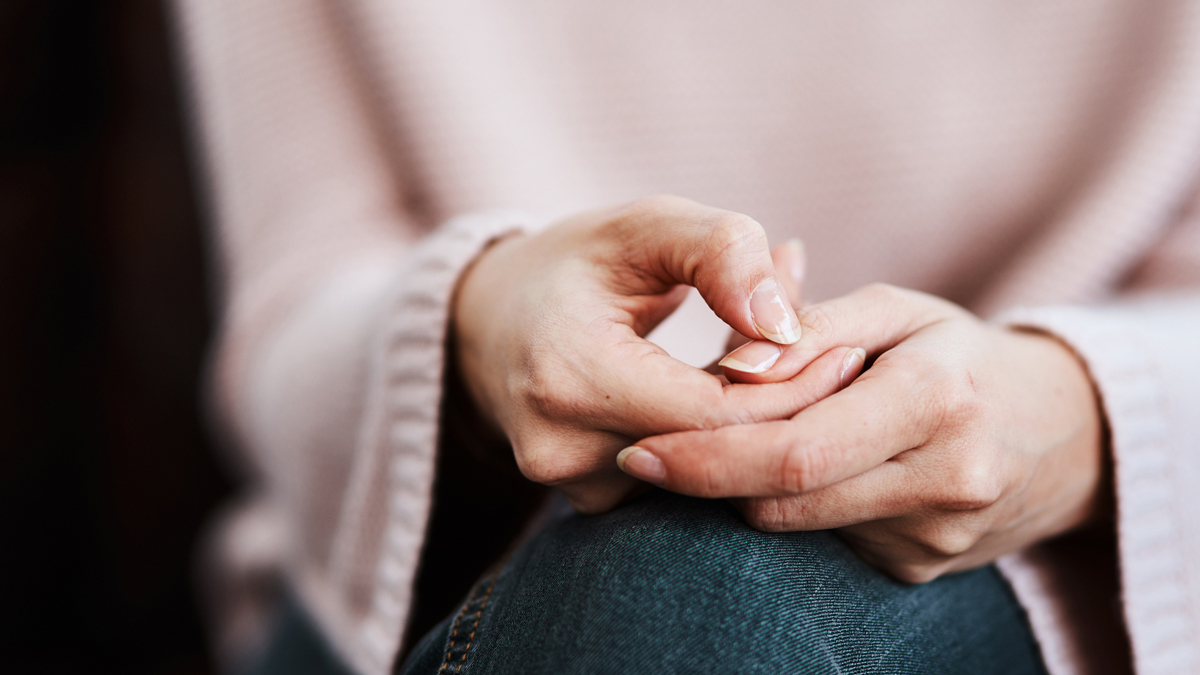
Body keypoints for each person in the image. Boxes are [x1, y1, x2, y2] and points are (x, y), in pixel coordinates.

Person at [174, 1, 1200, 674]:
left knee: (691, 581)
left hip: (1090, 579)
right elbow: (298, 291)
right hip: (407, 584)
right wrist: (483, 320)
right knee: (680, 579)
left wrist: (1082, 418)